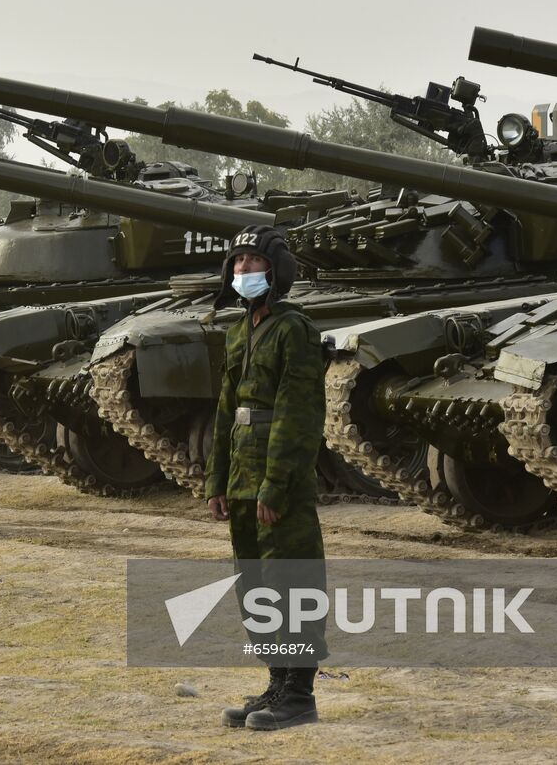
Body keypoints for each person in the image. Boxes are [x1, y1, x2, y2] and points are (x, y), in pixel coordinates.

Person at [204, 224, 326, 731]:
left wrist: (275, 486)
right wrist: (217, 481)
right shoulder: (240, 330)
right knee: (254, 582)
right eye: (237, 263)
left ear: (276, 270)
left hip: (280, 477)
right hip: (242, 470)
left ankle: (299, 694)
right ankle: (276, 682)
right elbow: (226, 411)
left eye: (253, 263)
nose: (243, 271)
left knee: (289, 578)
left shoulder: (293, 330)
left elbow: (298, 413)